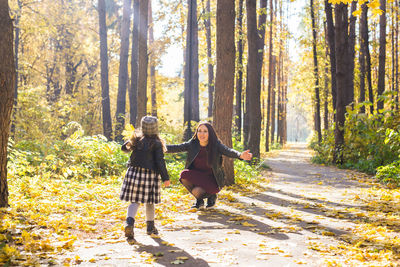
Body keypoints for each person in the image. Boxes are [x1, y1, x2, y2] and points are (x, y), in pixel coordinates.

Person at [166, 122, 252, 209]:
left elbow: (228, 151)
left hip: (213, 180)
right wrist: (160, 147)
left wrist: (240, 155)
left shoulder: (216, 145)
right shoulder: (193, 144)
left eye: (205, 131)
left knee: (197, 191)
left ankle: (212, 196)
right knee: (184, 175)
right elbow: (177, 147)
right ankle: (199, 201)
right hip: (197, 177)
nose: (201, 134)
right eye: (199, 131)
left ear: (210, 133)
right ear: (196, 133)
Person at [120, 116, 170, 240]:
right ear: (155, 128)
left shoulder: (136, 139)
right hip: (149, 175)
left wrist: (128, 143)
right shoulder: (157, 143)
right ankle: (150, 227)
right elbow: (160, 161)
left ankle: (129, 223)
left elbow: (124, 149)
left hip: (133, 172)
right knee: (150, 201)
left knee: (134, 201)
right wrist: (165, 177)